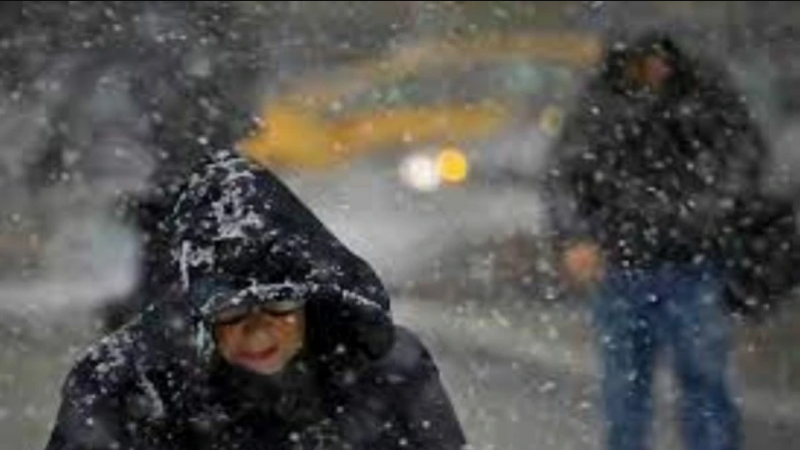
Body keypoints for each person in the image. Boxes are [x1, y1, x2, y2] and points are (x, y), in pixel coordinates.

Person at [43, 150, 468, 450]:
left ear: (310, 302)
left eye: (280, 305)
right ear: (194, 314)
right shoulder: (121, 386)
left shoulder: (385, 368)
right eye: (230, 310)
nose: (258, 329)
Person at [544, 31, 770, 450]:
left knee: (699, 383)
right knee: (629, 392)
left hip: (690, 263)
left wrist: (711, 211)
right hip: (625, 267)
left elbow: (745, 159)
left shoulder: (704, 97)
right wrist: (575, 237)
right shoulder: (603, 104)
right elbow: (564, 176)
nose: (655, 69)